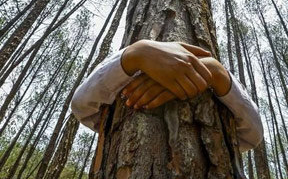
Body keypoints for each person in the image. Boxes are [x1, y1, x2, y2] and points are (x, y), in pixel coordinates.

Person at [71, 40, 263, 152]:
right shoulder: (121, 57)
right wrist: (137, 53)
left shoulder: (215, 70)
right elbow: (82, 105)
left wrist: (217, 73)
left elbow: (253, 135)